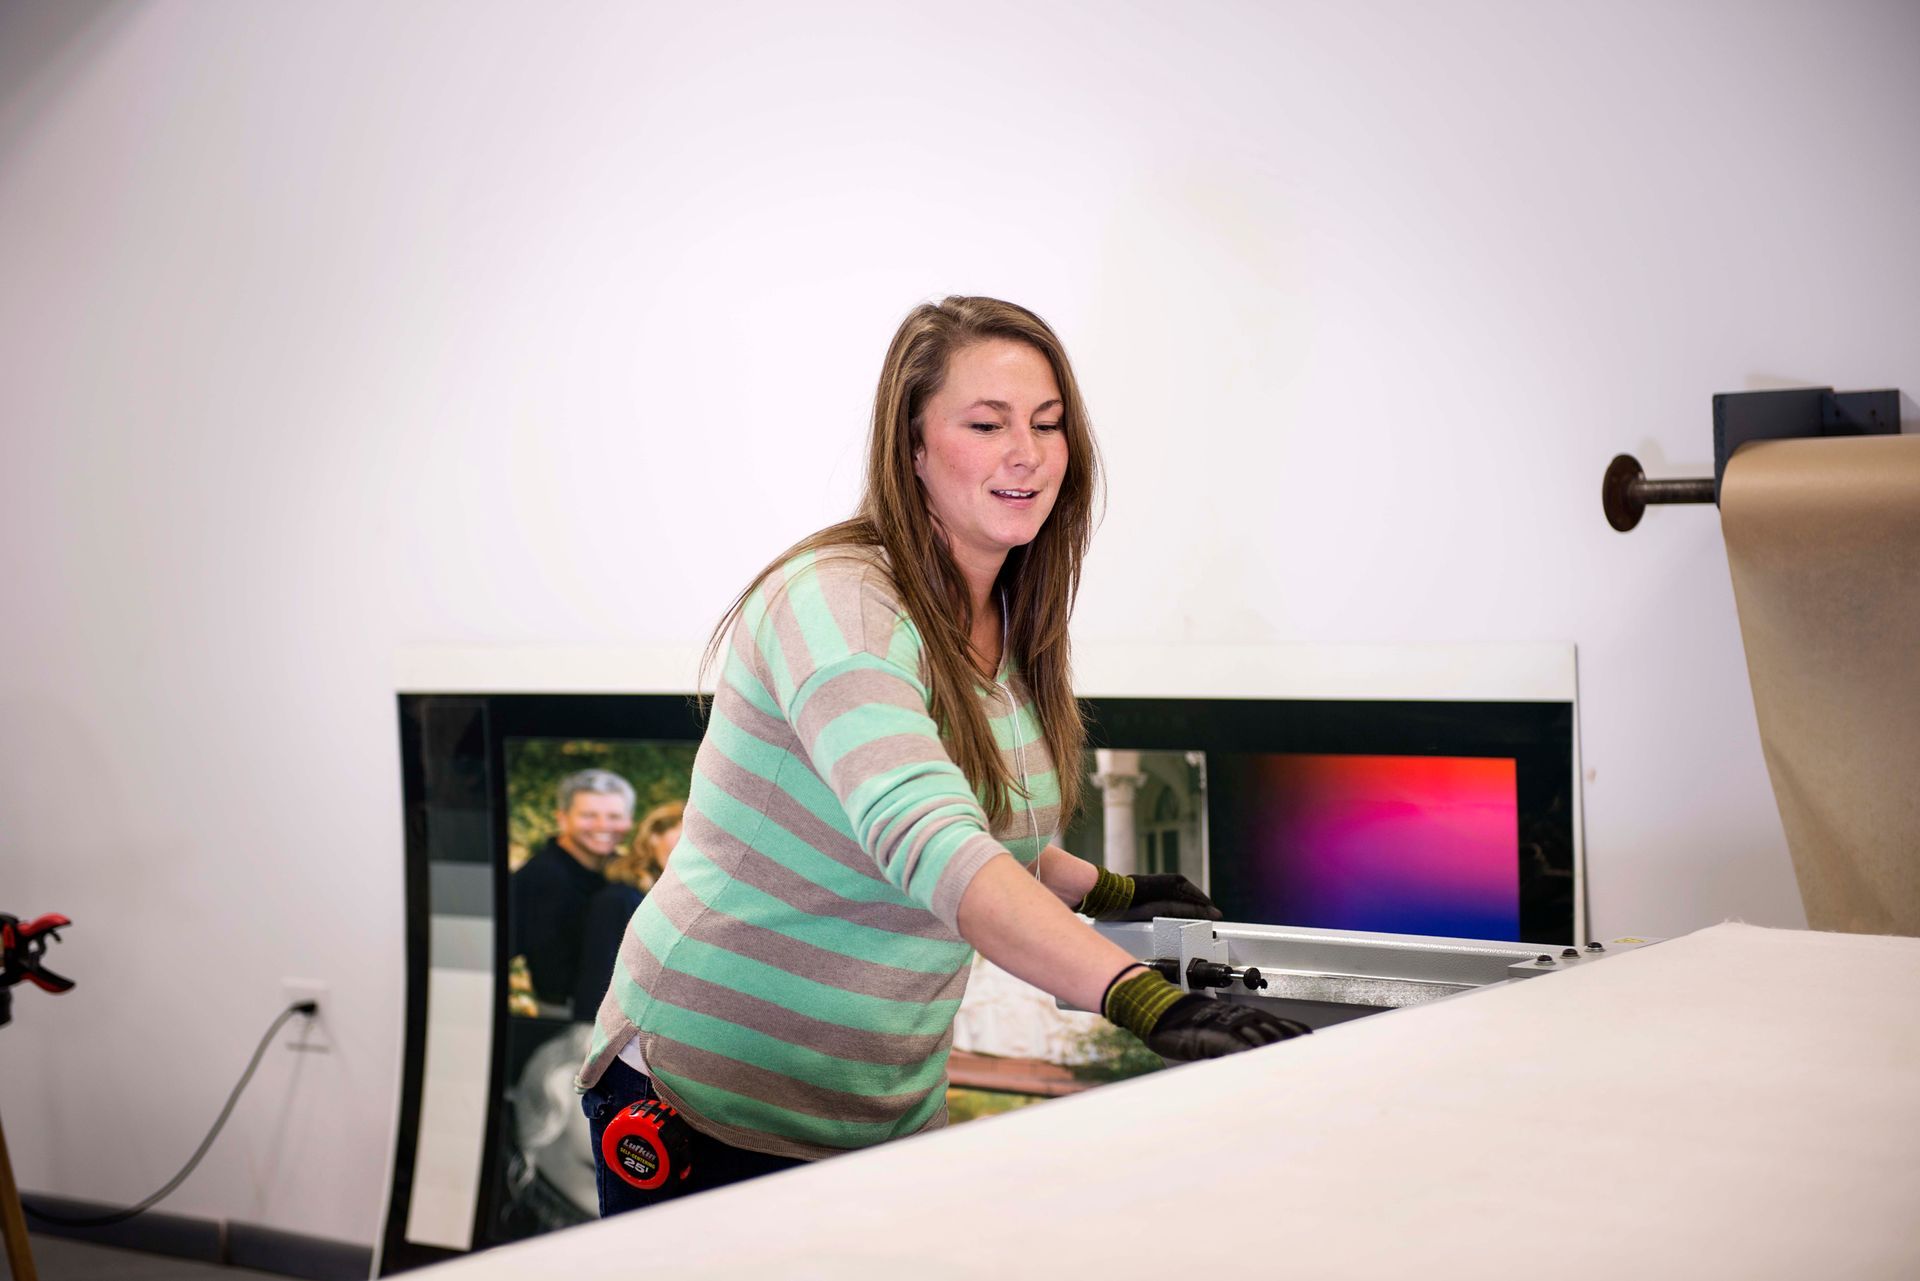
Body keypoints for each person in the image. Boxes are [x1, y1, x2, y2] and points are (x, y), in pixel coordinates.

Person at [577, 297, 1306, 1215]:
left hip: (880, 1105)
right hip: (707, 1091)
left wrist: (1094, 887)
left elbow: (978, 814)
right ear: (913, 446)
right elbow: (924, 836)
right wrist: (1137, 996)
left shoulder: (1006, 615)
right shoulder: (840, 606)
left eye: (1048, 425)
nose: (1027, 454)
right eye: (986, 424)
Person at [509, 769, 635, 1012]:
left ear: (629, 820)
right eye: (589, 815)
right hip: (565, 1012)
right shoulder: (541, 877)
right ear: (562, 818)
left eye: (614, 816)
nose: (603, 825)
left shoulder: (623, 872)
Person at [571, 801, 684, 1019]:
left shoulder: (661, 897)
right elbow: (597, 977)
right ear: (654, 836)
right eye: (682, 836)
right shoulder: (619, 899)